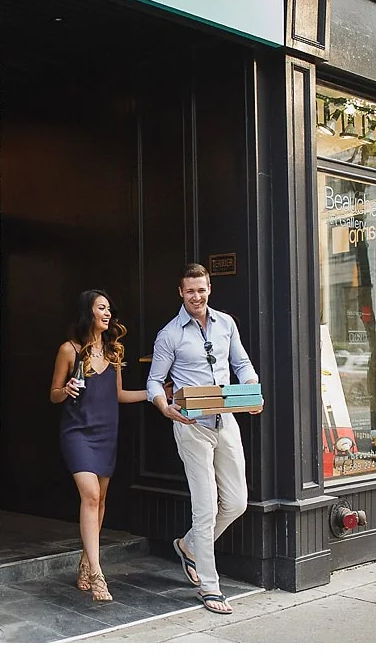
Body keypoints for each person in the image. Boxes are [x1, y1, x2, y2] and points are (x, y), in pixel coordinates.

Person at [147, 263, 263, 615]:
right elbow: (155, 380)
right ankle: (211, 588)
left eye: (201, 289)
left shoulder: (226, 323)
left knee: (238, 502)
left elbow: (241, 363)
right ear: (180, 293)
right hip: (191, 425)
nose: (196, 296)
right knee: (206, 507)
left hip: (225, 421)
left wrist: (252, 391)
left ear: (209, 289)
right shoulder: (169, 334)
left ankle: (189, 546)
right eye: (189, 291)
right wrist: (164, 407)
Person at [50, 290, 146, 602]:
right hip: (77, 432)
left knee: (100, 499)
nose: (107, 313)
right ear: (87, 313)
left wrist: (155, 395)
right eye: (101, 308)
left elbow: (118, 395)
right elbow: (53, 394)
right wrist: (65, 389)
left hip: (107, 432)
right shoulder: (69, 350)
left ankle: (84, 562)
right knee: (90, 495)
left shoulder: (114, 351)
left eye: (109, 309)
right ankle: (97, 573)